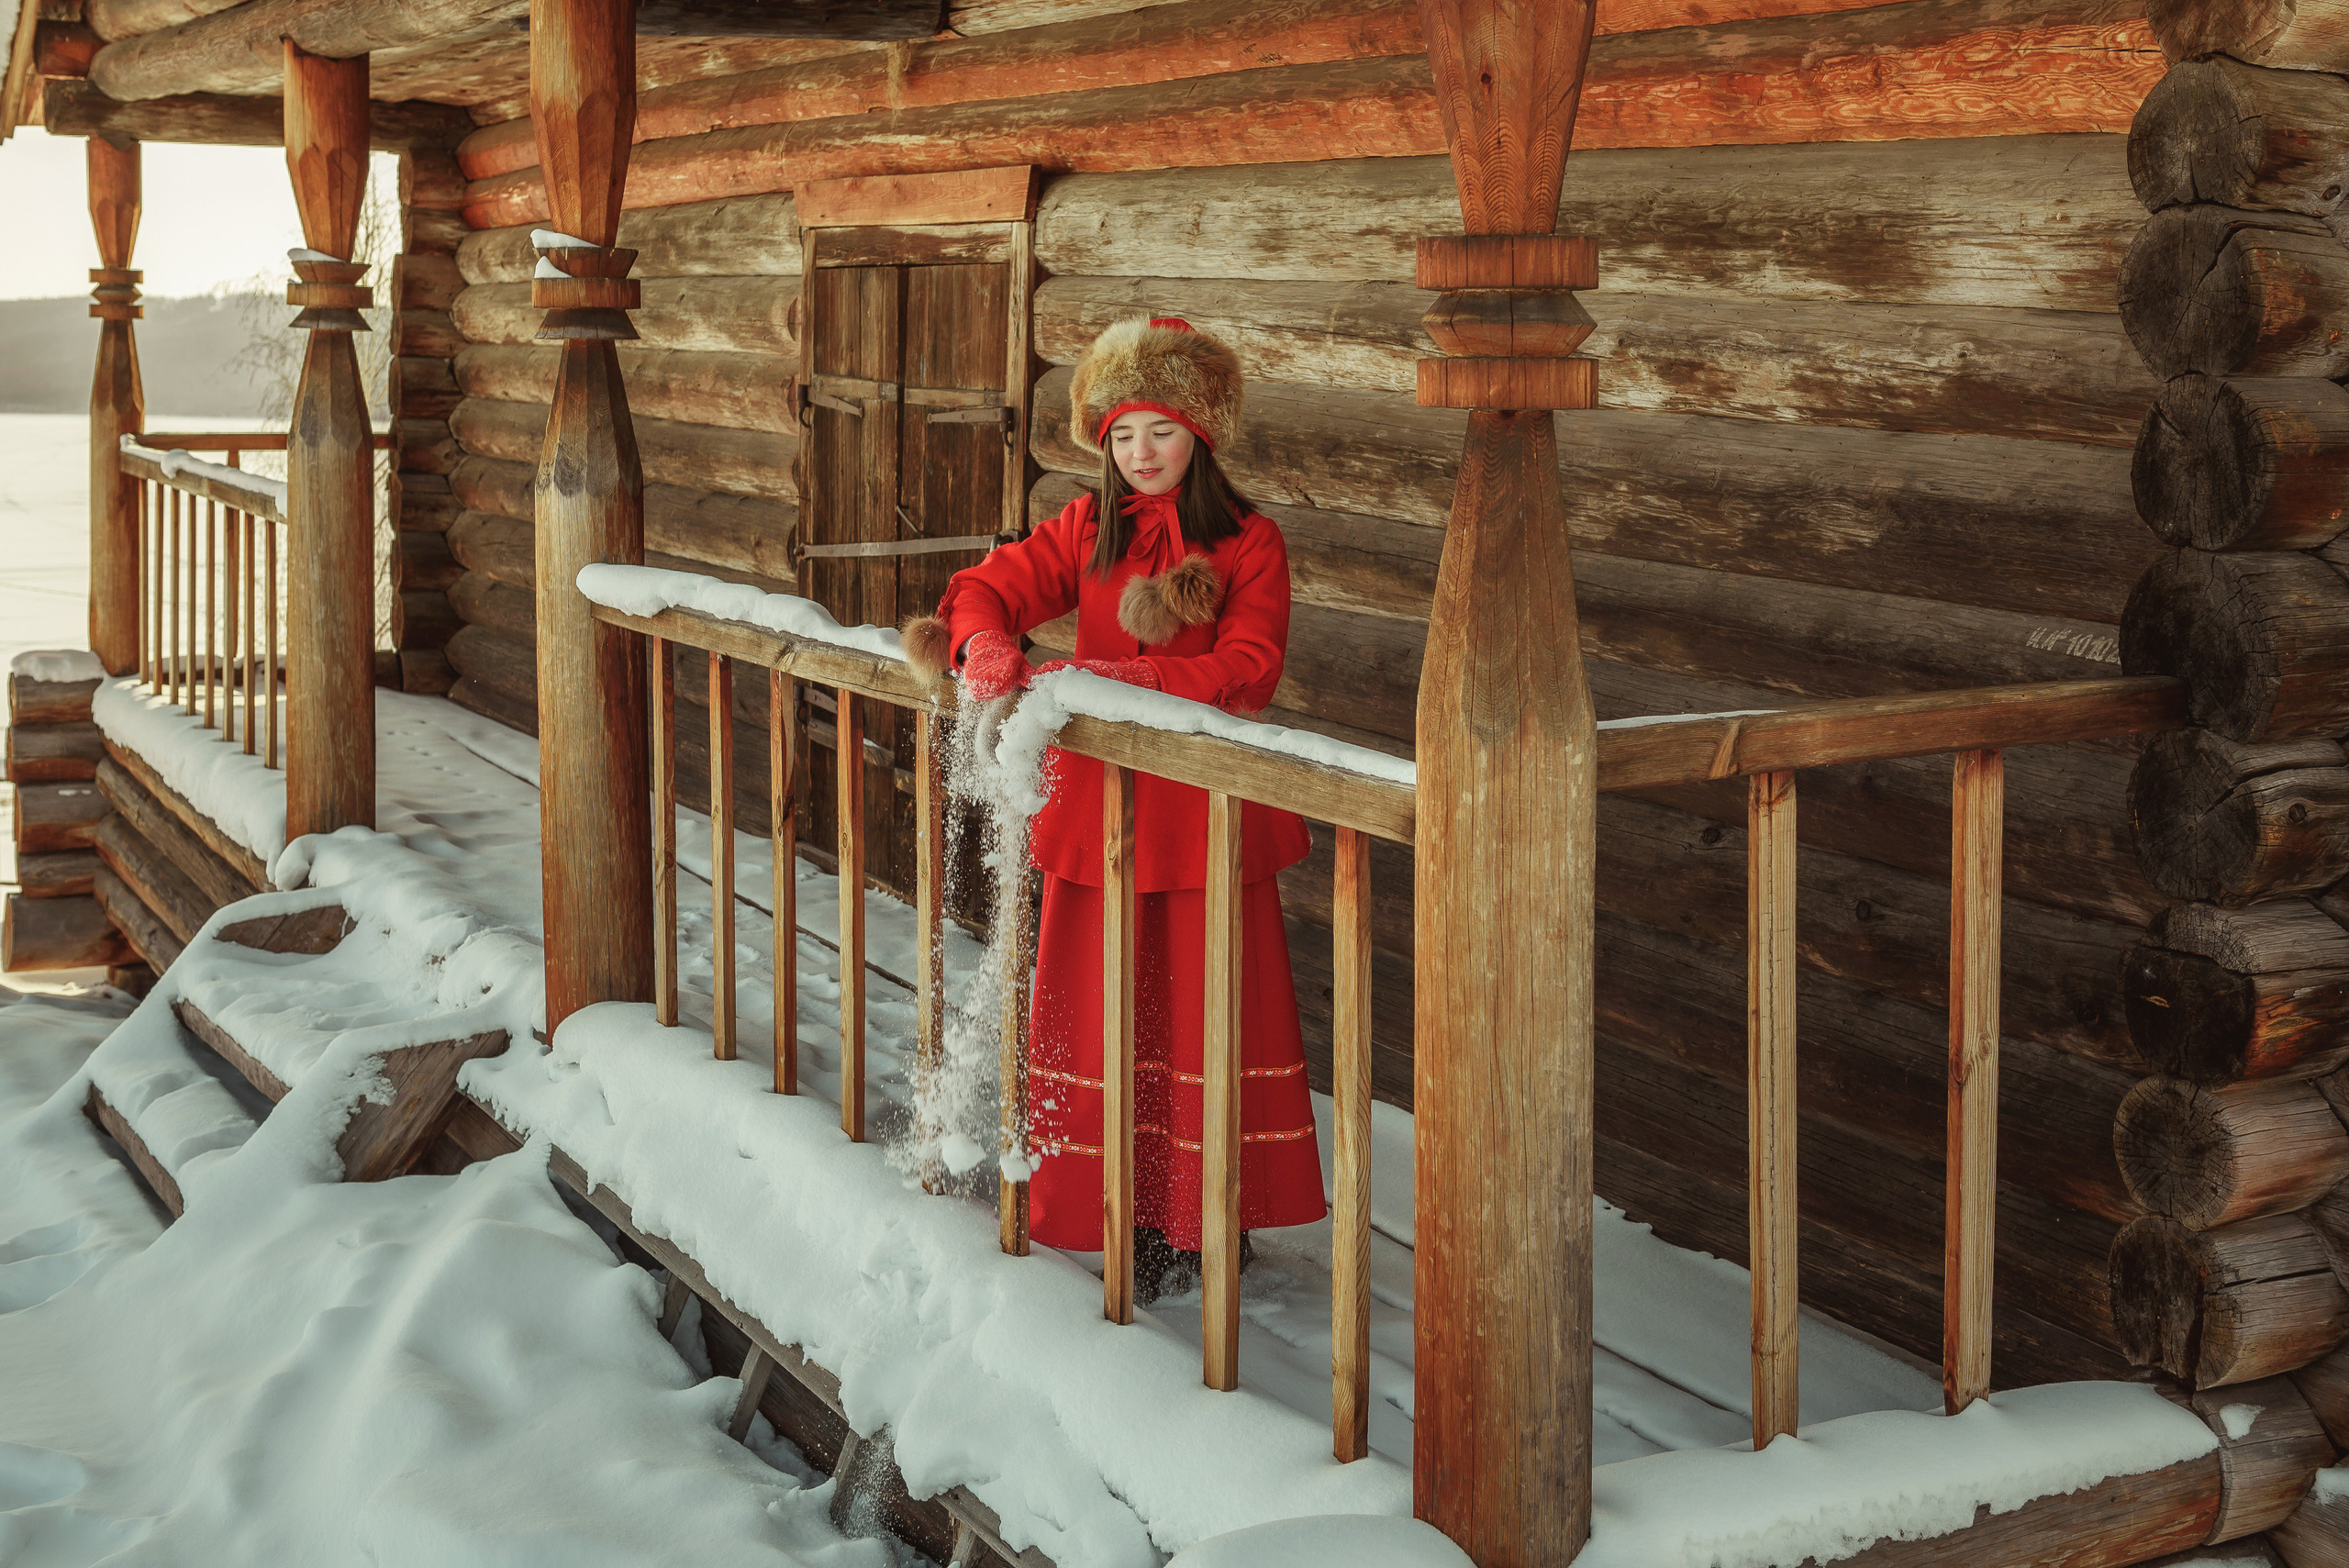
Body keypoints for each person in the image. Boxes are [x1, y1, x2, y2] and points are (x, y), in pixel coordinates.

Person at [902, 316, 1327, 1299]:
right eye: (1122, 432)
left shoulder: (1250, 541)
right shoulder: (1089, 528)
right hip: (1101, 818)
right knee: (1099, 1002)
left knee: (1200, 1005)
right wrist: (985, 648)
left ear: (1201, 434)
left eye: (1162, 431)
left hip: (1203, 813)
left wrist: (1127, 681)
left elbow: (1250, 666)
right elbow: (985, 587)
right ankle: (1112, 1201)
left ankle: (1202, 1214)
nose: (1140, 452)